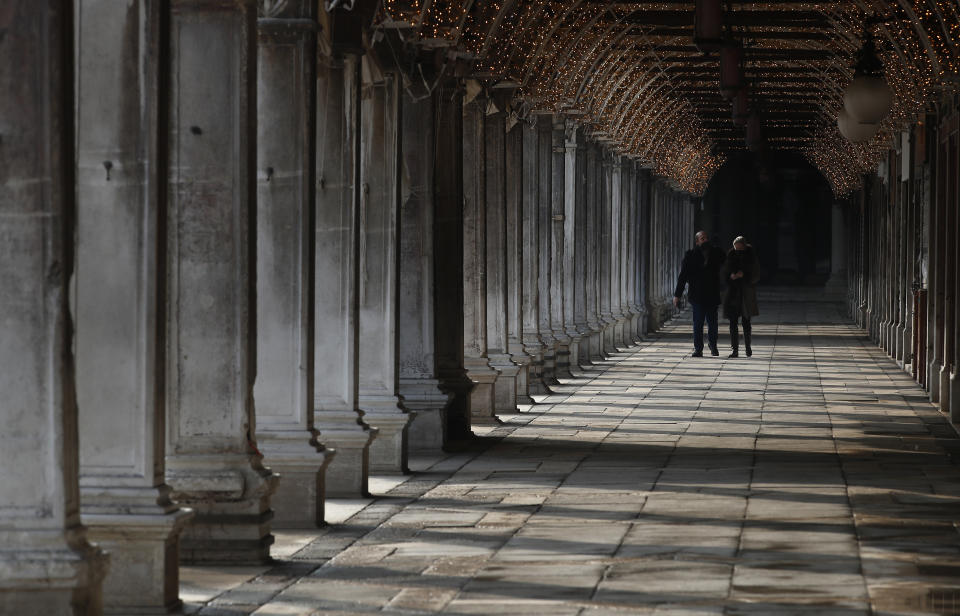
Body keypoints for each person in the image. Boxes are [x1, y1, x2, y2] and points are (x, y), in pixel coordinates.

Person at [674, 230, 726, 357]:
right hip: (697, 295)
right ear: (697, 241)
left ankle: (713, 346)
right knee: (698, 323)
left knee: (712, 323)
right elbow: (683, 276)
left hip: (712, 294)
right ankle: (698, 349)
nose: (705, 240)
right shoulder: (690, 255)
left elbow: (727, 262)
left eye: (706, 238)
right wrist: (677, 295)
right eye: (702, 238)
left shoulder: (716, 252)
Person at [721, 236, 760, 357]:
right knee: (733, 322)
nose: (738, 251)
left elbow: (756, 275)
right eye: (736, 249)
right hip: (733, 293)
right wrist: (731, 277)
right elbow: (724, 274)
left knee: (746, 321)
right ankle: (735, 349)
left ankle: (748, 347)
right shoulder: (730, 256)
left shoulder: (751, 257)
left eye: (740, 249)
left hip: (746, 294)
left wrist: (744, 275)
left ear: (744, 246)